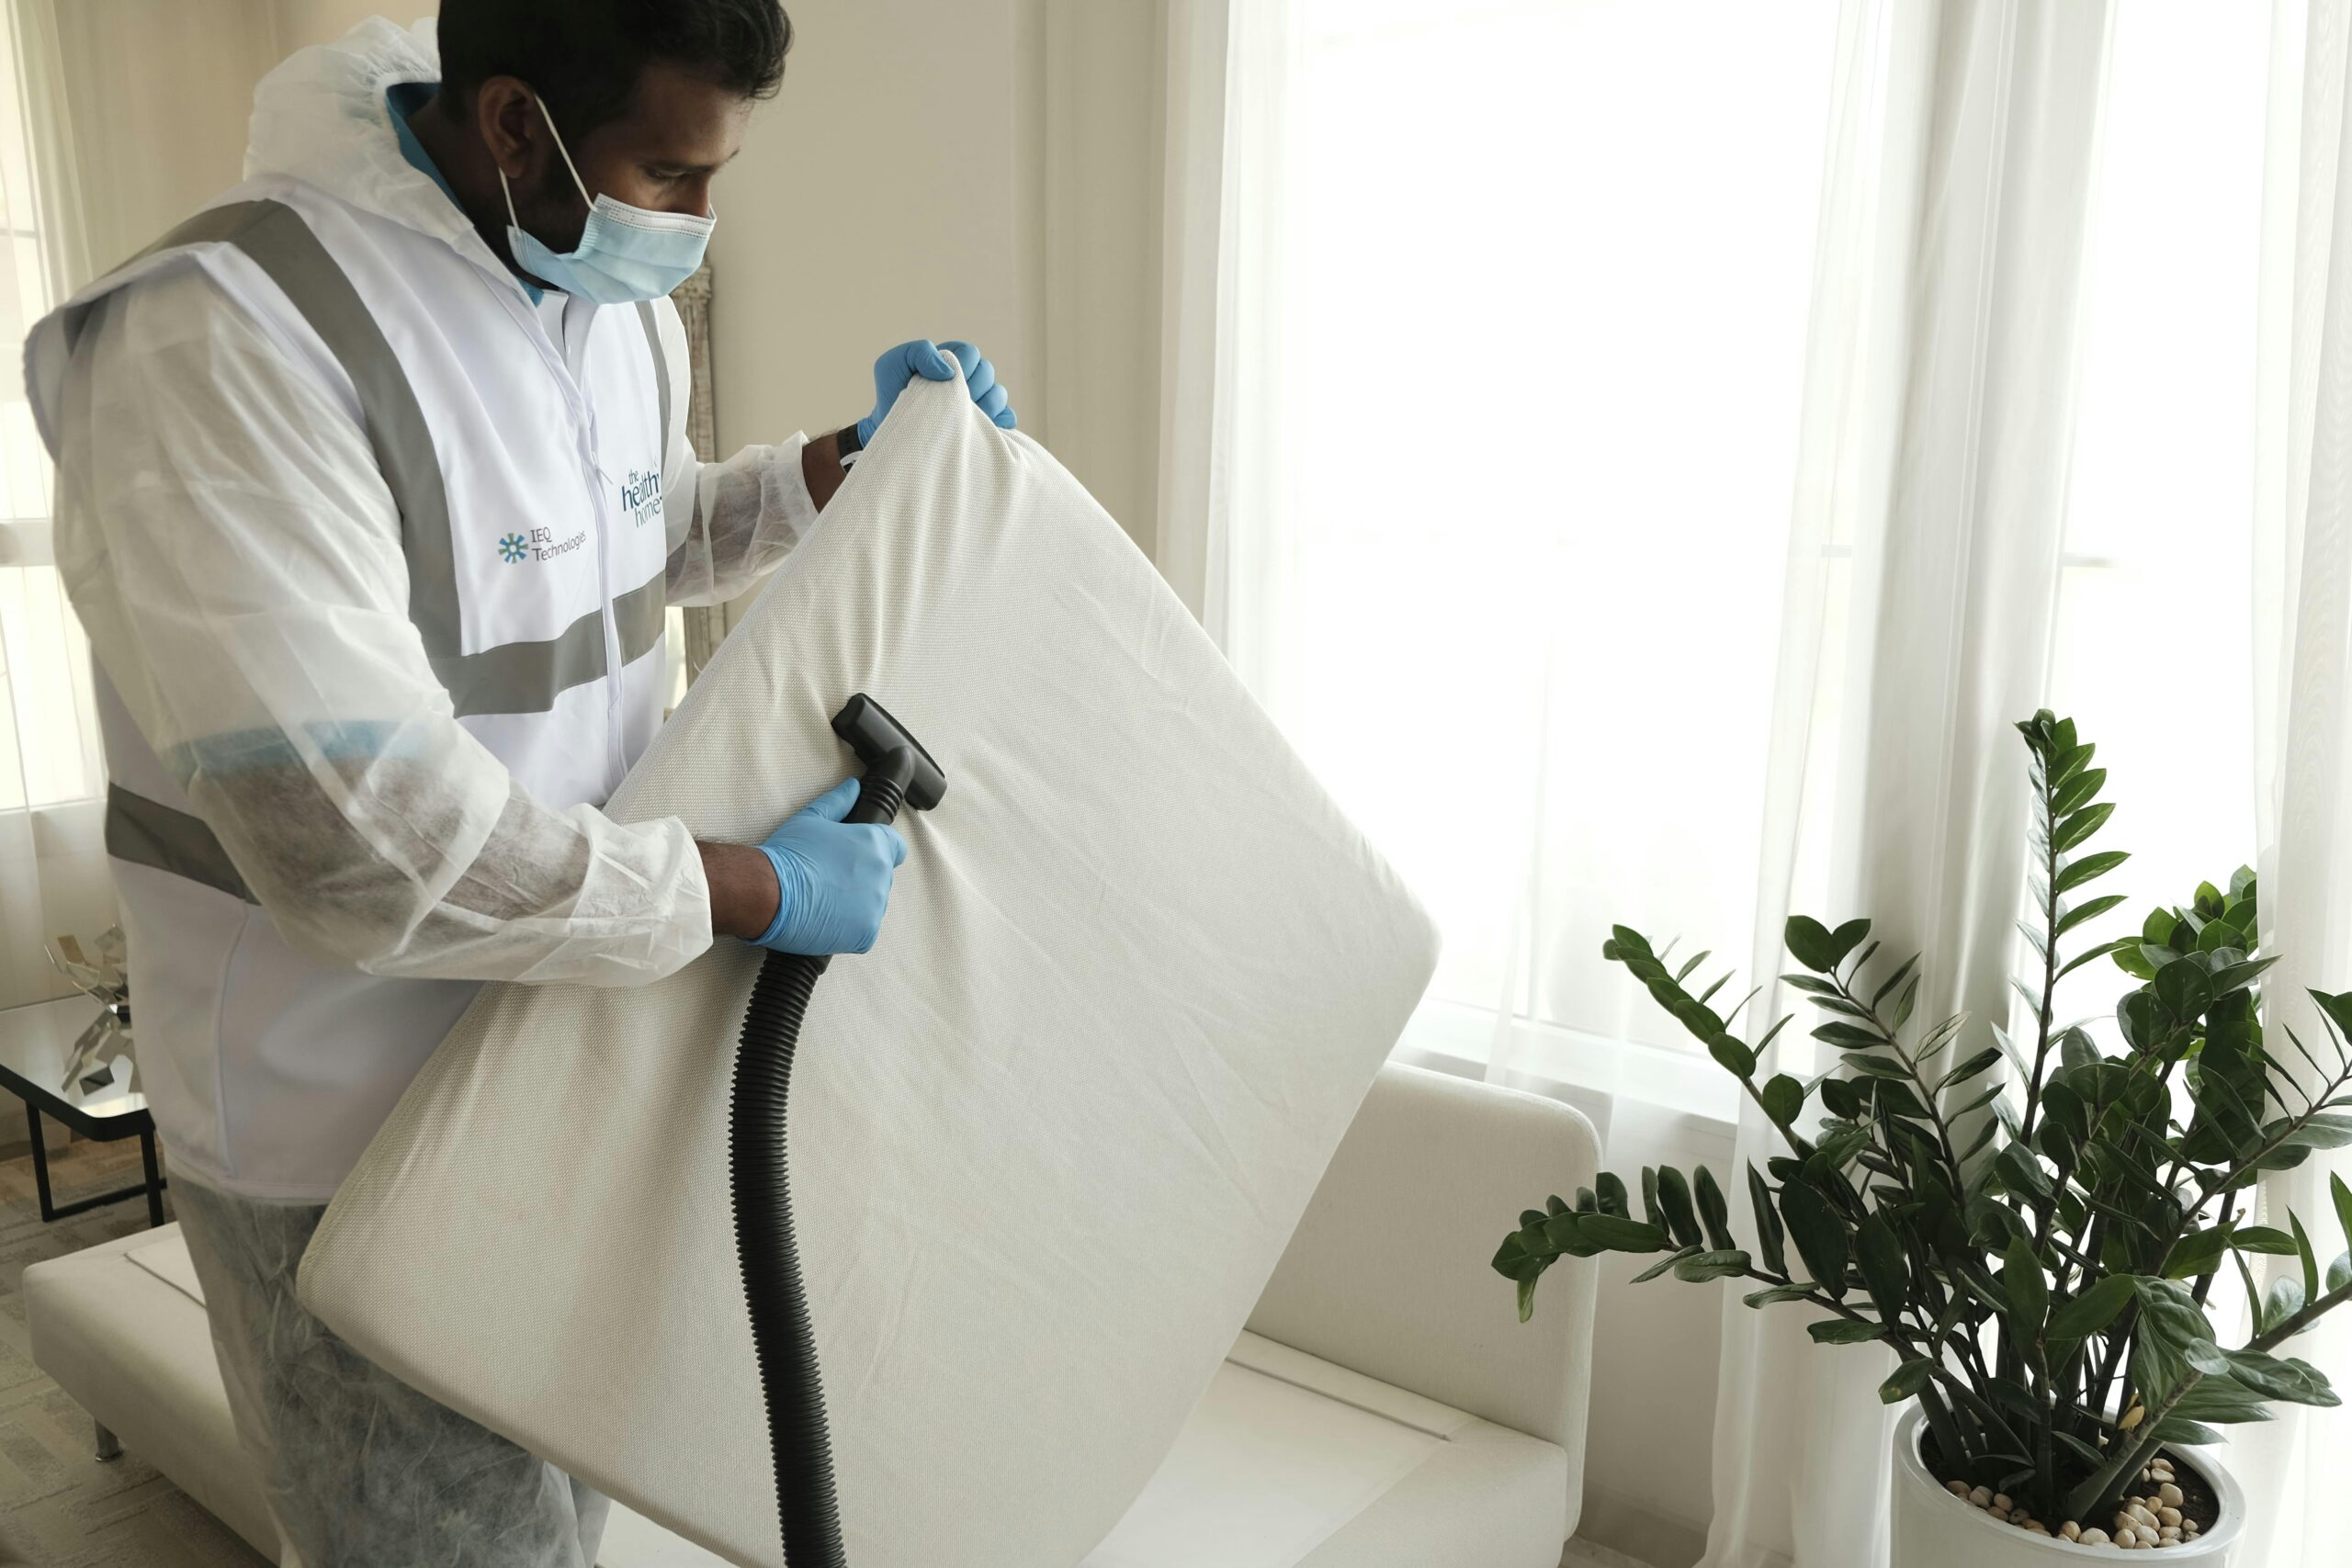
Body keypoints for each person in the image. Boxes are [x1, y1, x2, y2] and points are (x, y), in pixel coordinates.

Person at [21, 4, 1016, 1562]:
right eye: (669, 175)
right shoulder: (224, 338)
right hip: (340, 1123)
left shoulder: (600, 302)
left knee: (568, 1530)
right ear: (510, 124)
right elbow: (354, 846)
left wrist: (834, 468)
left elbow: (636, 547)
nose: (698, 222)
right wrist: (740, 886)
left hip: (570, 1060)